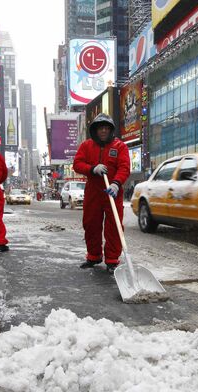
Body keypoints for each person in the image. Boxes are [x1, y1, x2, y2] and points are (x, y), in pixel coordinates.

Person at [73, 113, 130, 274]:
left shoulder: (120, 147)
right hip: (93, 192)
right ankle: (93, 256)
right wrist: (92, 168)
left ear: (111, 130)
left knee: (114, 226)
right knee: (91, 224)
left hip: (113, 192)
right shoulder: (86, 146)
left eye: (106, 128)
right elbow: (77, 164)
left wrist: (117, 183)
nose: (103, 131)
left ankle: (112, 260)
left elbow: (124, 167)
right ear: (95, 130)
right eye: (100, 128)